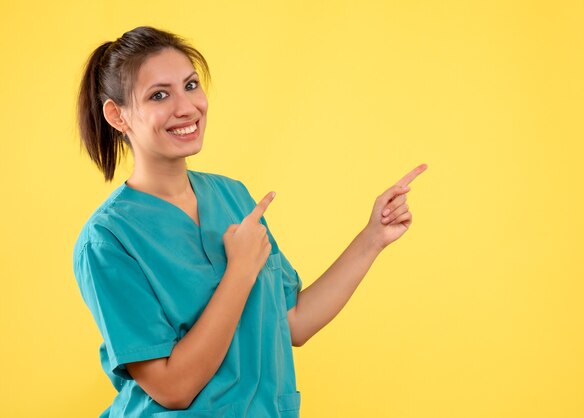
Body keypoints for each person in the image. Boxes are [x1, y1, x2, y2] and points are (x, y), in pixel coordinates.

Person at [73, 25, 427, 418]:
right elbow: (173, 389)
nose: (186, 107)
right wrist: (240, 269)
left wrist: (373, 237)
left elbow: (293, 321)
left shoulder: (232, 197)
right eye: (159, 95)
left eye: (191, 85)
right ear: (117, 115)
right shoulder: (108, 240)